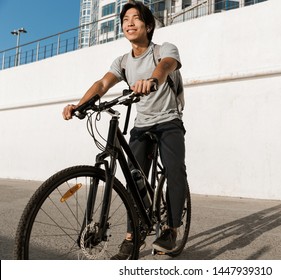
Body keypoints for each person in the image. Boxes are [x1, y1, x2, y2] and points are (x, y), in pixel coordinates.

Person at [62, 1, 188, 259]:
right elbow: (102, 84)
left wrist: (153, 79)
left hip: (168, 120)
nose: (129, 23)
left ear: (148, 25)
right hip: (142, 124)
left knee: (174, 169)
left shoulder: (163, 49)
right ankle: (133, 237)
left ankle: (171, 229)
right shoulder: (122, 61)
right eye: (125, 19)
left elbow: (167, 65)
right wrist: (80, 105)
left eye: (136, 18)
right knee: (133, 178)